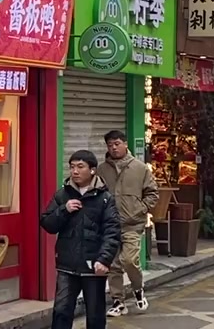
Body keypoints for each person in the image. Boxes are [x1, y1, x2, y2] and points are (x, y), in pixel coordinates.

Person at [41, 150, 120, 329]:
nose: (75, 171)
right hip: (67, 265)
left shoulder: (105, 199)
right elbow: (47, 224)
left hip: (93, 266)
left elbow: (112, 231)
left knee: (95, 314)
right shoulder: (62, 195)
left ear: (92, 170)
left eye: (80, 167)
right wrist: (64, 210)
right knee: (61, 311)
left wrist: (104, 259)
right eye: (72, 167)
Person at [96, 130, 158, 317]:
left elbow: (153, 194)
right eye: (110, 145)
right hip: (109, 225)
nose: (114, 148)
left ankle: (138, 289)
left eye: (117, 144)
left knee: (129, 260)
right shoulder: (101, 170)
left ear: (125, 144)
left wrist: (140, 209)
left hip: (132, 223)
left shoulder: (140, 168)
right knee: (113, 265)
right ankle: (118, 302)